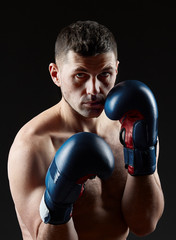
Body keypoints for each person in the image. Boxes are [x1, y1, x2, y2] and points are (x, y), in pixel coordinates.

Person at [8, 20, 164, 240]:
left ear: (117, 69)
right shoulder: (33, 145)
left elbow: (144, 224)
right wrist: (58, 200)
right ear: (56, 75)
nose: (94, 90)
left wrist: (141, 150)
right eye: (80, 75)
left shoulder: (131, 125)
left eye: (104, 74)